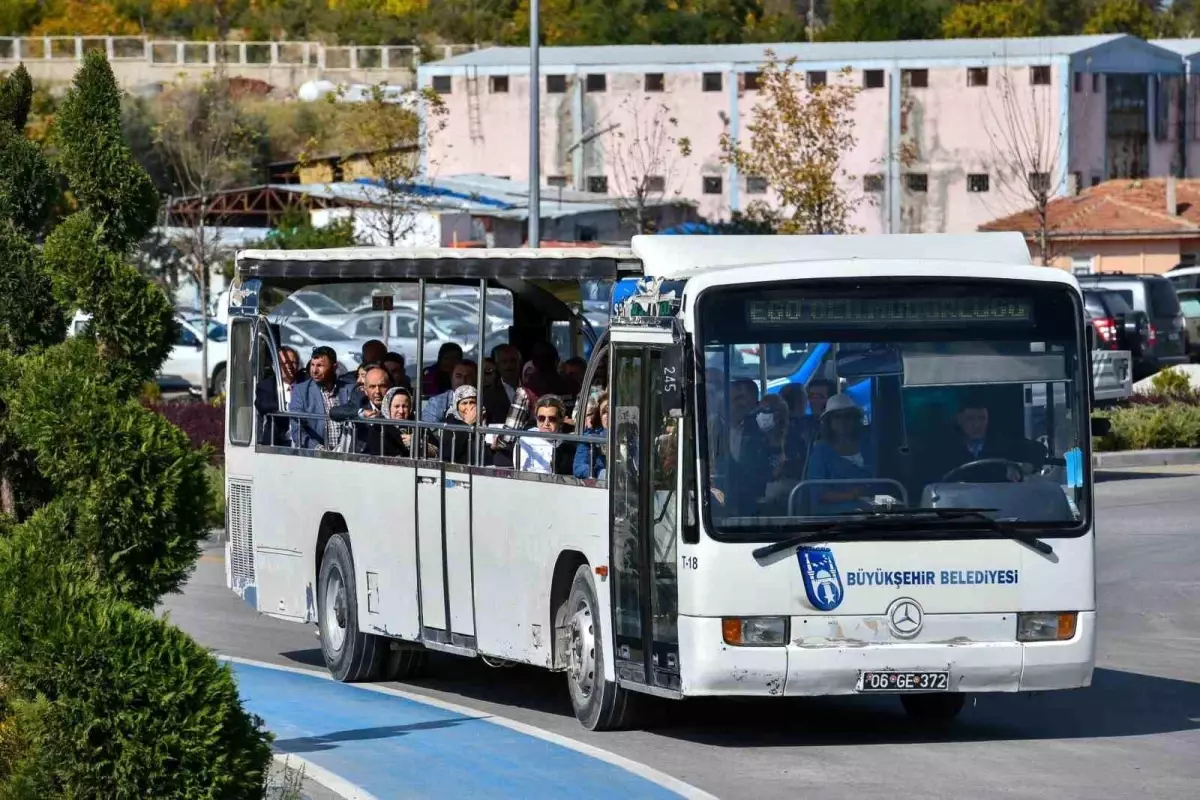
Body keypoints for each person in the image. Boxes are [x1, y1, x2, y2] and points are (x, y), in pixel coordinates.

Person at [926, 393, 1047, 484]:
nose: (977, 425)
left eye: (982, 418)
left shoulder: (1004, 443)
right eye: (970, 419)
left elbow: (1039, 450)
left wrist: (1022, 466)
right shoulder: (946, 448)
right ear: (959, 419)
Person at [804, 393, 876, 515]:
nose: (842, 421)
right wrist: (852, 495)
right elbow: (818, 492)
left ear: (855, 419)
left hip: (873, 509)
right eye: (837, 417)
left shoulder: (869, 444)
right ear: (829, 421)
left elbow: (881, 478)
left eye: (847, 416)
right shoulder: (821, 452)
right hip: (835, 514)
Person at [288, 346, 356, 450]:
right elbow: (297, 429)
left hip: (346, 453)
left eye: (320, 365)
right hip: (316, 455)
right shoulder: (301, 391)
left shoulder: (349, 389)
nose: (314, 370)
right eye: (312, 365)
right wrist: (318, 448)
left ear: (334, 367)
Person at [329, 363, 392, 455]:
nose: (377, 391)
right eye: (372, 387)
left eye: (382, 386)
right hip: (362, 456)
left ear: (389, 387)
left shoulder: (397, 402)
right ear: (365, 390)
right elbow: (334, 412)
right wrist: (361, 413)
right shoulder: (360, 401)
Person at [256, 345, 302, 446]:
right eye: (285, 363)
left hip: (303, 442)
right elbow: (263, 406)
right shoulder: (266, 386)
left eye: (293, 363)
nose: (289, 366)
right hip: (277, 442)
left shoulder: (305, 385)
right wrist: (290, 406)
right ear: (274, 366)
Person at [519, 395, 574, 475]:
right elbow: (520, 473)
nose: (546, 423)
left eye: (552, 419)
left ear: (561, 420)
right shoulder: (526, 440)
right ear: (536, 419)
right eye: (541, 418)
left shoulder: (568, 443)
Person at [440, 385, 479, 465]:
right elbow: (450, 452)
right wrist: (467, 424)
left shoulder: (483, 418)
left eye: (472, 402)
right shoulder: (450, 423)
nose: (469, 407)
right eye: (464, 403)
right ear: (457, 406)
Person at [573, 391, 608, 479]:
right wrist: (601, 473)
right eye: (605, 411)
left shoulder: (633, 437)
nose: (609, 415)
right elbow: (579, 468)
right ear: (599, 417)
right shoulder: (590, 437)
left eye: (613, 410)